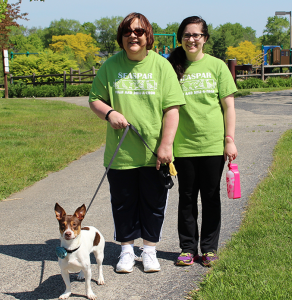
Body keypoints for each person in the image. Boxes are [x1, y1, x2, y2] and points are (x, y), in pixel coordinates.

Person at [89, 12, 185, 273]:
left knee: (154, 204)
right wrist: (109, 113)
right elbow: (95, 99)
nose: (134, 35)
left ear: (148, 36)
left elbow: (172, 108)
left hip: (154, 152)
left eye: (140, 31)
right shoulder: (110, 66)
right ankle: (127, 251)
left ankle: (150, 250)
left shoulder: (162, 66)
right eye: (128, 31)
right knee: (123, 204)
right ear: (121, 36)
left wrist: (166, 145)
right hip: (121, 154)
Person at [168, 16, 238, 267]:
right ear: (181, 39)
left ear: (205, 38)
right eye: (187, 35)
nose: (192, 39)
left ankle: (209, 249)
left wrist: (229, 139)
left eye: (197, 35)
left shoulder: (217, 66)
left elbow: (228, 106)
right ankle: (188, 248)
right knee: (186, 197)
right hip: (183, 146)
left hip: (211, 144)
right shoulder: (172, 67)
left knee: (210, 196)